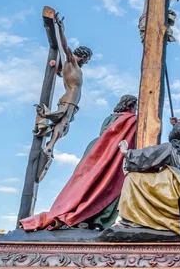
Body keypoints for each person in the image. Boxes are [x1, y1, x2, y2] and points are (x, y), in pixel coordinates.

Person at [19, 95, 137, 231]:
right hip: (114, 155)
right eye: (135, 107)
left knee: (88, 185)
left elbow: (105, 134)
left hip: (96, 150)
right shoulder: (132, 120)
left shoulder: (109, 118)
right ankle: (97, 220)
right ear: (131, 106)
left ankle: (84, 218)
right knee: (109, 187)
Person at [33, 13, 93, 182]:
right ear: (83, 55)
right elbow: (65, 46)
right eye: (87, 58)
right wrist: (60, 28)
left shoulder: (69, 67)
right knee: (63, 123)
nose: (86, 62)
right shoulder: (72, 62)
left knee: (63, 125)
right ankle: (49, 147)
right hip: (70, 99)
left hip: (72, 101)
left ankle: (50, 146)